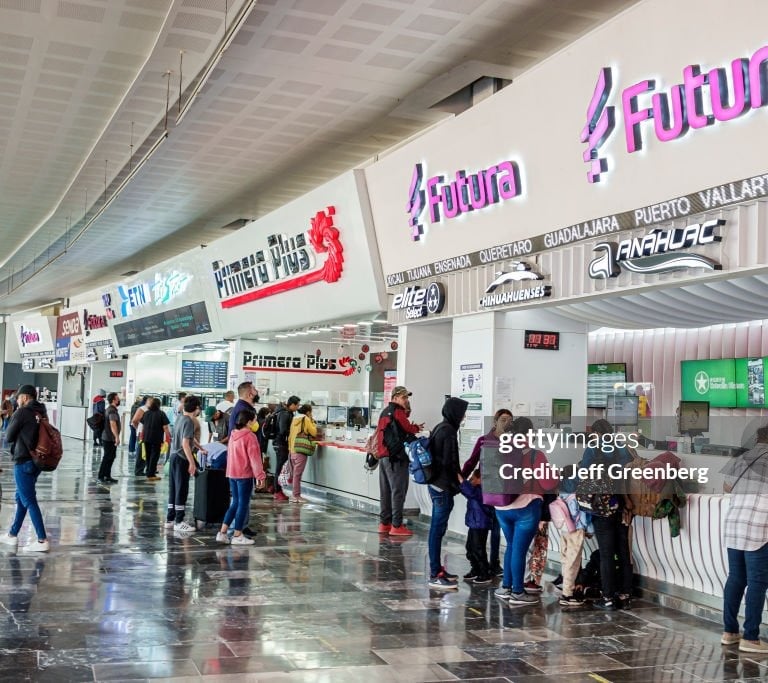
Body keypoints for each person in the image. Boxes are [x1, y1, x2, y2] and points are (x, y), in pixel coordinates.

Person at [492, 417, 558, 605]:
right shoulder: (534, 455)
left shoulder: (500, 449)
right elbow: (549, 483)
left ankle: (506, 587)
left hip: (501, 507)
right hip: (526, 508)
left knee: (512, 546)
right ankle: (518, 592)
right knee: (520, 550)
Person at [577, 418, 634, 610]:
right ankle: (625, 595)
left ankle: (608, 596)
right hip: (620, 503)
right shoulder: (620, 447)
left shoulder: (593, 448)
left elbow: (583, 472)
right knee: (623, 551)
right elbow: (628, 470)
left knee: (606, 553)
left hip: (601, 507)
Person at [721, 425, 768, 653]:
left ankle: (729, 632)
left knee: (736, 578)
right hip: (760, 527)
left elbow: (727, 486)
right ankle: (751, 638)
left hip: (734, 524)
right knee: (757, 582)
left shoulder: (742, 457)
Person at [461, 408, 513, 576]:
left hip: (503, 492)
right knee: (480, 530)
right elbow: (471, 462)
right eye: (503, 420)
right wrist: (461, 480)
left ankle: (494, 563)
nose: (507, 423)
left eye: (510, 420)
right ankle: (479, 565)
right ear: (495, 422)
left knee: (497, 530)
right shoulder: (484, 441)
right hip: (485, 492)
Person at [0, 385, 50, 552]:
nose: (17, 400)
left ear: (25, 397)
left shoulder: (22, 412)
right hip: (37, 462)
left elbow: (8, 436)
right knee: (21, 497)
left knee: (28, 499)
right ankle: (13, 534)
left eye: (19, 397)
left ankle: (42, 540)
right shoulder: (42, 412)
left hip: (23, 461)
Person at [427, 396, 468, 589]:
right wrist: (461, 485)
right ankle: (435, 573)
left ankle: (438, 569)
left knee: (437, 529)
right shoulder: (449, 431)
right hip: (442, 487)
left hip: (435, 484)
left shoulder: (439, 427)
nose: (464, 417)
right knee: (437, 530)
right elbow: (451, 463)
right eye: (462, 413)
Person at [378, 386, 423, 536]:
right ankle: (397, 525)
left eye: (407, 398)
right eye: (404, 398)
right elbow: (408, 428)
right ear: (395, 397)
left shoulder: (384, 412)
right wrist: (417, 428)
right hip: (396, 458)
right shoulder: (397, 411)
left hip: (383, 457)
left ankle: (385, 523)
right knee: (398, 491)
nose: (406, 400)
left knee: (385, 492)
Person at [216, 407, 265, 545]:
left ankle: (223, 532)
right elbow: (255, 459)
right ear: (248, 422)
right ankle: (238, 534)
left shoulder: (233, 434)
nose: (256, 423)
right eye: (254, 420)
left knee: (235, 502)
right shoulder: (250, 437)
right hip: (244, 474)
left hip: (232, 473)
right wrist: (260, 476)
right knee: (243, 504)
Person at [166, 395, 206, 532]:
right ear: (196, 408)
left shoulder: (179, 418)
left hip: (173, 457)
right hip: (181, 458)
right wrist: (192, 463)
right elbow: (185, 443)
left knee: (173, 489)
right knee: (181, 489)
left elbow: (190, 438)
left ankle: (170, 519)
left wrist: (201, 448)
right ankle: (179, 521)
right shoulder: (189, 421)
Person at [556, 464, 593, 607]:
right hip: (576, 530)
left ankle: (566, 589)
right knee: (573, 562)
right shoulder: (577, 495)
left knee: (565, 559)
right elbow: (583, 515)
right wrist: (589, 530)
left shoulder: (562, 493)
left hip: (564, 530)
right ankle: (567, 594)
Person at [458, 469, 494, 584]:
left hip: (480, 524)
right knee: (470, 547)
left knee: (479, 549)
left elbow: (470, 492)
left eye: (473, 478)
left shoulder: (484, 491)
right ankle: (476, 569)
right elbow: (467, 491)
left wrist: (461, 480)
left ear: (480, 479)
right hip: (474, 523)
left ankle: (484, 573)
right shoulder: (476, 490)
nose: (470, 481)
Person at [288, 404, 319, 504]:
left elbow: (290, 435)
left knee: (295, 474)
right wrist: (312, 421)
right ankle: (296, 496)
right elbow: (313, 432)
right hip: (300, 449)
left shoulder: (294, 418)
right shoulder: (305, 419)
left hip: (293, 449)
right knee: (297, 475)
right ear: (308, 412)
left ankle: (295, 495)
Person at [273, 395, 301, 503]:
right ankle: (277, 491)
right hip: (281, 443)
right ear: (292, 404)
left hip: (280, 443)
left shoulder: (285, 412)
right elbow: (283, 430)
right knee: (280, 467)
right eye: (297, 405)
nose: (298, 407)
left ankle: (275, 488)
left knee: (280, 466)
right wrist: (293, 432)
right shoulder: (285, 414)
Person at [140, 398, 171, 481]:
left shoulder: (146, 413)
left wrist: (142, 436)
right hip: (156, 438)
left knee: (148, 455)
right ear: (159, 405)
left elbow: (143, 425)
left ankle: (148, 472)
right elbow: (165, 427)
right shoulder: (161, 414)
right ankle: (151, 474)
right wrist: (169, 437)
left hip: (146, 437)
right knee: (154, 456)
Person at [98, 392, 121, 483]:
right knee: (107, 457)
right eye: (117, 398)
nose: (119, 400)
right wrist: (117, 437)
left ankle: (107, 476)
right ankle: (101, 476)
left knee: (111, 456)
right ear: (113, 400)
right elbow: (112, 424)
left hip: (108, 437)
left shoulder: (111, 409)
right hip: (109, 438)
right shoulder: (111, 410)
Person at [130, 396, 151, 474]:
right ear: (146, 401)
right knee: (141, 452)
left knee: (147, 451)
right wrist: (138, 429)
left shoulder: (150, 409)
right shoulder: (142, 409)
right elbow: (134, 421)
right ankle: (139, 470)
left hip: (149, 434)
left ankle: (147, 468)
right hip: (141, 433)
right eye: (150, 400)